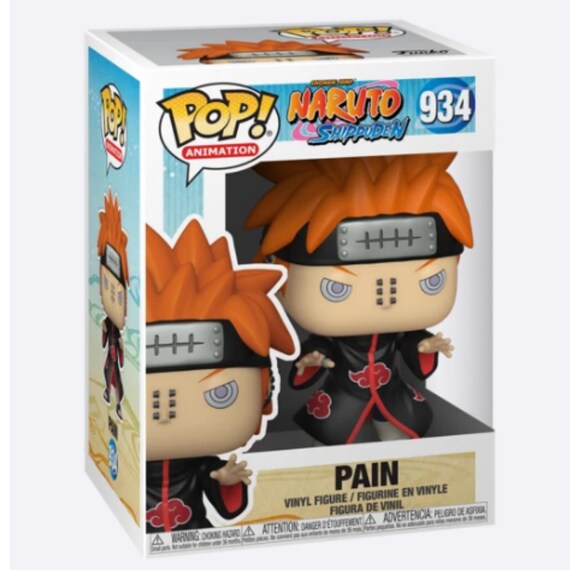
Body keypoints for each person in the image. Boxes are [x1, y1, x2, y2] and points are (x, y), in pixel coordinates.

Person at [246, 153, 473, 445]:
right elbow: (322, 347)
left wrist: (423, 345)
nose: (386, 296)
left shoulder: (396, 330)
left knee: (401, 433)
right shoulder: (333, 333)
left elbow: (408, 342)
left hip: (392, 394)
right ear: (277, 268)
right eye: (336, 288)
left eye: (430, 281)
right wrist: (314, 359)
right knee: (333, 437)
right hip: (342, 397)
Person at [145, 218, 296, 531]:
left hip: (194, 532)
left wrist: (226, 480)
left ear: (265, 391)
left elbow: (224, 499)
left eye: (219, 394)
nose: (166, 410)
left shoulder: (201, 462)